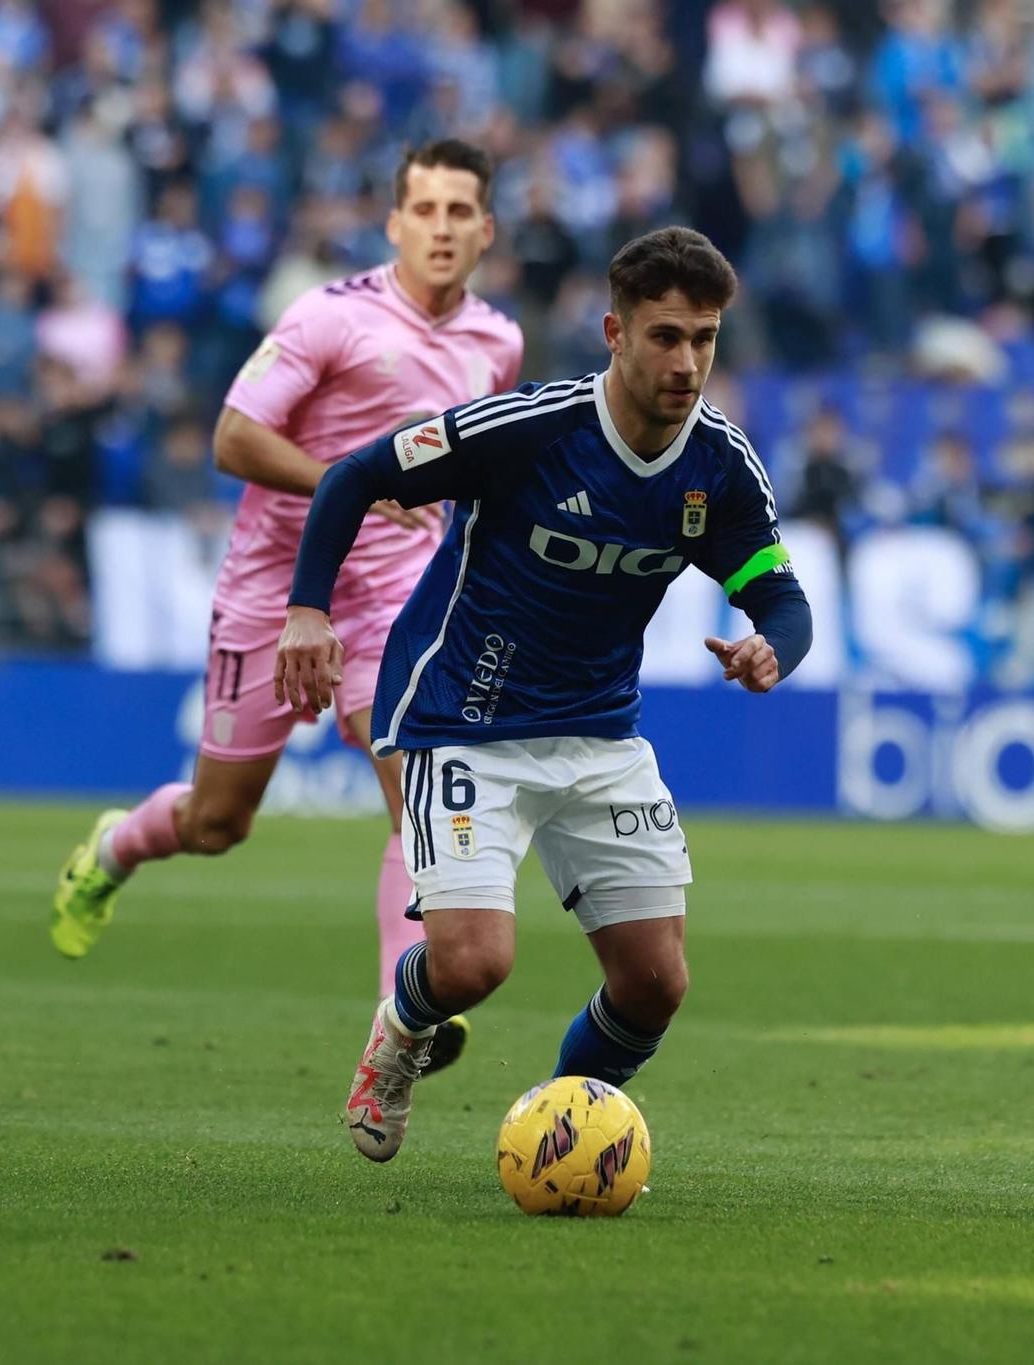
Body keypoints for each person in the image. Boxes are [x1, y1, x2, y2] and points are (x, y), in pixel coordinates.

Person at [274, 228, 812, 1163]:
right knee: (474, 963)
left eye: (705, 339)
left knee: (655, 985)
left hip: (601, 732)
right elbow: (359, 475)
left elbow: (780, 593)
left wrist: (774, 647)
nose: (687, 362)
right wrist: (307, 612)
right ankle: (398, 1036)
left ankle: (563, 1129)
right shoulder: (526, 429)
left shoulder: (719, 466)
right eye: (666, 336)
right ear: (614, 331)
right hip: (465, 720)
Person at [50, 141, 524, 1008]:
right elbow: (233, 437)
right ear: (395, 223)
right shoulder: (327, 317)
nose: (443, 228)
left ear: (487, 228)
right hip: (275, 589)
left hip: (395, 600)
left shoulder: (499, 342)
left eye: (461, 212)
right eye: (426, 210)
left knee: (411, 793)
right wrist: (356, 486)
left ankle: (401, 1013)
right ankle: (115, 849)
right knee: (218, 821)